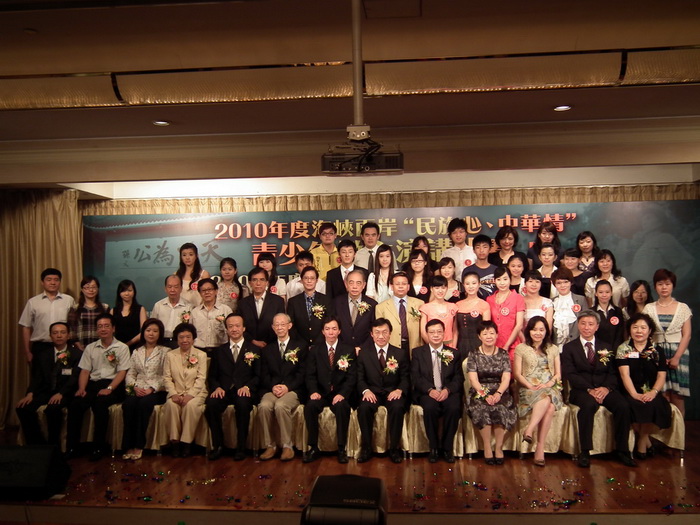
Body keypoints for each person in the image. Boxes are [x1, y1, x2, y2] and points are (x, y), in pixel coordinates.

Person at [561, 310, 636, 468]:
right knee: (588, 406)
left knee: (623, 406)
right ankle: (585, 451)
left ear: (597, 327)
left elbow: (612, 372)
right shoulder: (569, 348)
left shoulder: (606, 347)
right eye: (583, 323)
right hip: (581, 391)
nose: (586, 327)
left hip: (604, 388)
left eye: (590, 324)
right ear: (578, 325)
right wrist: (589, 389)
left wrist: (606, 388)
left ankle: (622, 450)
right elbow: (570, 374)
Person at [66, 313, 131, 461]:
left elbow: (122, 372)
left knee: (100, 404)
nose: (103, 329)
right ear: (96, 330)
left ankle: (98, 447)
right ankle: (72, 447)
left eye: (106, 326)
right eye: (100, 326)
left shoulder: (122, 347)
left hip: (114, 385)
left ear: (113, 328)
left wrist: (109, 388)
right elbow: (85, 371)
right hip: (93, 384)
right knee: (75, 404)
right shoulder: (90, 348)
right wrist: (82, 388)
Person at [16, 322, 81, 448]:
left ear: (68, 335)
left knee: (53, 409)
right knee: (22, 408)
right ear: (50, 336)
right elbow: (37, 377)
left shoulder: (77, 354)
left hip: (66, 392)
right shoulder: (43, 354)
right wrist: (30, 393)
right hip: (46, 391)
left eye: (62, 332)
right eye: (55, 333)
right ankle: (37, 445)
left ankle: (54, 446)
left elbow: (74, 378)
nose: (59, 336)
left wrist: (61, 393)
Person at [616, 313, 672, 459]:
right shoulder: (623, 349)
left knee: (652, 404)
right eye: (635, 327)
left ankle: (642, 440)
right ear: (630, 330)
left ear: (650, 330)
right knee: (631, 404)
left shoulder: (657, 350)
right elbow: (624, 375)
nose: (639, 331)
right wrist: (634, 394)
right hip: (629, 390)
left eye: (643, 327)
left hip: (651, 390)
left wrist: (653, 392)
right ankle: (646, 442)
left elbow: (661, 375)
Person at [205, 314, 260, 461]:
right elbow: (212, 376)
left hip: (244, 390)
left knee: (242, 404)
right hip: (224, 390)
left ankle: (241, 447)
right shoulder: (219, 351)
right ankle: (218, 446)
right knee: (211, 404)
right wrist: (217, 388)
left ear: (244, 328)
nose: (234, 329)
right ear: (226, 329)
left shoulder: (254, 349)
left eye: (237, 326)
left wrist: (248, 387)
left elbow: (258, 375)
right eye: (230, 326)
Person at [303, 316, 357, 464]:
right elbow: (310, 375)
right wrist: (313, 391)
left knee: (342, 407)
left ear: (339, 331)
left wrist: (342, 394)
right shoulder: (315, 350)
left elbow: (352, 377)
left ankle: (341, 448)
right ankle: (313, 447)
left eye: (334, 329)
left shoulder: (348, 350)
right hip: (321, 393)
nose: (331, 332)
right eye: (327, 329)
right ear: (323, 331)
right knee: (310, 407)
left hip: (339, 393)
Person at [356, 318, 410, 464]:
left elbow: (405, 377)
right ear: (371, 334)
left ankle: (394, 449)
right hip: (372, 392)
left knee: (398, 407)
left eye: (385, 332)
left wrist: (399, 390)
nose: (381, 336)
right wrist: (366, 391)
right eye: (377, 332)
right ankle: (366, 448)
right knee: (364, 408)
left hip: (392, 392)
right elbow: (359, 378)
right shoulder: (364, 353)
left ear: (390, 333)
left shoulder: (399, 353)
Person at [411, 319, 463, 463]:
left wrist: (447, 390)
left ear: (444, 333)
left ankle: (447, 448)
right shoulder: (418, 352)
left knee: (453, 408)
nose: (435, 335)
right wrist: (429, 390)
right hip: (427, 392)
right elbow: (415, 376)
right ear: (426, 334)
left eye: (439, 332)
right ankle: (433, 447)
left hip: (448, 392)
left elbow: (458, 378)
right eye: (432, 332)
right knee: (430, 407)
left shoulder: (453, 353)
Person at [513, 316, 563, 467]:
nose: (538, 333)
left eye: (541, 330)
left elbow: (558, 374)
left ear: (546, 331)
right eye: (534, 329)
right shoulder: (521, 348)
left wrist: (548, 384)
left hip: (550, 386)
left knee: (548, 398)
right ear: (529, 331)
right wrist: (529, 385)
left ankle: (530, 432)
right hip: (528, 387)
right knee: (548, 403)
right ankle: (539, 448)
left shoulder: (553, 349)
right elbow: (517, 374)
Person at [258, 313, 308, 461]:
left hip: (293, 389)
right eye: (277, 325)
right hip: (272, 388)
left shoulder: (300, 346)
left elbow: (302, 373)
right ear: (273, 328)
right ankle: (270, 445)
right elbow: (264, 374)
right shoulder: (268, 349)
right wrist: (273, 386)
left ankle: (287, 445)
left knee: (281, 405)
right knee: (264, 406)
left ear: (289, 326)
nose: (280, 327)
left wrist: (287, 387)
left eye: (283, 324)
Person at [643, 268, 692, 417]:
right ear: (655, 286)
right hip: (657, 353)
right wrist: (655, 357)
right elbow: (645, 334)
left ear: (673, 286)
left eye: (667, 284)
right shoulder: (649, 308)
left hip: (679, 353)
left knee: (677, 396)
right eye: (660, 284)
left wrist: (676, 357)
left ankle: (679, 430)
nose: (664, 287)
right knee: (661, 394)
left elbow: (687, 335)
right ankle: (663, 429)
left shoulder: (682, 308)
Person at [466, 321, 516, 465]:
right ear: (479, 336)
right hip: (480, 390)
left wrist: (498, 393)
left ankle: (499, 448)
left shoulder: (503, 354)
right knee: (482, 408)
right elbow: (473, 379)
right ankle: (487, 447)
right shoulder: (473, 354)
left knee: (501, 407)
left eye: (492, 333)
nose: (489, 336)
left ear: (497, 335)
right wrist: (485, 395)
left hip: (500, 390)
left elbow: (506, 378)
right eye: (485, 333)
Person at [121, 318, 169, 460]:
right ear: (143, 333)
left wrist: (152, 389)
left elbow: (166, 375)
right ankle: (128, 445)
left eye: (155, 331)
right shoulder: (137, 351)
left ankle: (139, 445)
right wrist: (134, 387)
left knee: (144, 404)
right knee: (128, 404)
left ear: (160, 333)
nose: (151, 334)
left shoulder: (165, 351)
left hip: (157, 390)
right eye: (148, 330)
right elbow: (131, 373)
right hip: (138, 388)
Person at [162, 323, 207, 458]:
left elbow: (201, 378)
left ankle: (186, 443)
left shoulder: (201, 355)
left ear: (193, 339)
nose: (185, 340)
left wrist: (190, 395)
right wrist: (173, 393)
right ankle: (175, 442)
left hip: (197, 392)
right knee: (171, 405)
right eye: (181, 337)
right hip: (176, 391)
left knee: (190, 406)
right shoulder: (170, 355)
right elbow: (166, 377)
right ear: (177, 339)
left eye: (188, 337)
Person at [19, 268, 75, 363]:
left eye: (56, 280)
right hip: (41, 346)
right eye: (49, 280)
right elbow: (26, 327)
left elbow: (74, 325)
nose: (53, 283)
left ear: (60, 282)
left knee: (64, 372)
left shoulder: (69, 300)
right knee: (40, 372)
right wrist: (27, 351)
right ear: (42, 282)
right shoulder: (33, 302)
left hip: (64, 346)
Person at [375, 271, 424, 354]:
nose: (401, 286)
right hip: (392, 346)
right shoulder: (381, 307)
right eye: (397, 284)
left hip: (415, 347)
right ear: (391, 286)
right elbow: (380, 331)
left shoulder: (419, 304)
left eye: (404, 284)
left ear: (408, 286)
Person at [237, 267, 286, 348]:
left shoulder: (278, 301)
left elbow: (281, 325)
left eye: (262, 280)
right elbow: (240, 326)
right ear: (250, 283)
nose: (258, 283)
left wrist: (268, 343)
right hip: (249, 346)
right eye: (254, 280)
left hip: (272, 345)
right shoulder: (242, 303)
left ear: (267, 282)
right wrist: (253, 341)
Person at [486, 267, 525, 362]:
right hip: (494, 345)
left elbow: (519, 325)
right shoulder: (489, 299)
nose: (502, 283)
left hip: (513, 345)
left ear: (510, 280)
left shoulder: (518, 298)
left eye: (505, 279)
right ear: (494, 281)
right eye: (499, 279)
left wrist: (506, 346)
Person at [287, 266, 333, 346]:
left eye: (312, 278)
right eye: (306, 278)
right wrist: (301, 343)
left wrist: (320, 341)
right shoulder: (293, 301)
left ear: (317, 280)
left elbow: (329, 322)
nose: (309, 281)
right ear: (302, 280)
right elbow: (291, 325)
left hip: (321, 344)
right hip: (300, 345)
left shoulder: (326, 300)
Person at [333, 269, 377, 353]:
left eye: (358, 283)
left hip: (365, 350)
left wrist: (362, 347)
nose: (354, 287)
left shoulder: (372, 304)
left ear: (364, 285)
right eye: (351, 283)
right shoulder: (337, 302)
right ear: (346, 284)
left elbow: (374, 330)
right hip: (342, 349)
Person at [455, 271, 491, 362]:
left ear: (479, 284)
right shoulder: (457, 305)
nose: (471, 286)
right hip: (461, 344)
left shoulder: (484, 304)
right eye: (467, 284)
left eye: (474, 283)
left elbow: (486, 330)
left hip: (478, 344)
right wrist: (453, 347)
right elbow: (455, 330)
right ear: (463, 285)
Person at [190, 278, 232, 353]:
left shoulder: (226, 310)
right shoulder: (194, 312)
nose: (207, 292)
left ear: (216, 291)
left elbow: (231, 332)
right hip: (199, 350)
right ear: (199, 293)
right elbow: (190, 333)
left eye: (210, 289)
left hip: (220, 350)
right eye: (203, 290)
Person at [68, 276, 109, 351]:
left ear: (98, 289)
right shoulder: (75, 308)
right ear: (82, 290)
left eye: (94, 287)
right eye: (87, 287)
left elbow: (109, 328)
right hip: (80, 347)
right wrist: (78, 344)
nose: (91, 290)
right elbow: (71, 329)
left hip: (101, 347)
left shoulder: (105, 308)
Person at [151, 275, 192, 348]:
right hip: (161, 342)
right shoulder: (158, 305)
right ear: (165, 289)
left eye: (176, 287)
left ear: (181, 288)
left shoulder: (189, 307)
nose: (172, 290)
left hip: (180, 343)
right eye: (169, 287)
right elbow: (153, 326)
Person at [550, 268, 588, 348]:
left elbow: (586, 322)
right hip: (556, 346)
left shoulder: (581, 300)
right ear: (554, 285)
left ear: (571, 282)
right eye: (559, 283)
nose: (562, 285)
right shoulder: (551, 302)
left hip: (577, 345)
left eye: (566, 282)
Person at [419, 275, 459, 346]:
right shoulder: (425, 308)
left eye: (443, 288)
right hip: (432, 346)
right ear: (431, 289)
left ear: (447, 288)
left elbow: (455, 330)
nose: (440, 291)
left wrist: (453, 347)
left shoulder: (453, 307)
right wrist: (434, 347)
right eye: (437, 288)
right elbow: (423, 332)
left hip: (450, 345)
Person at [110, 279, 147, 350]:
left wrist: (127, 344)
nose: (127, 293)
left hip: (135, 347)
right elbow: (110, 331)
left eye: (130, 290)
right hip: (117, 347)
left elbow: (144, 331)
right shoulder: (113, 311)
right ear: (119, 293)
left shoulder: (140, 309)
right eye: (123, 291)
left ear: (134, 292)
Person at [592, 280, 625, 352]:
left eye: (607, 292)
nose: (604, 295)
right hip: (598, 351)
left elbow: (620, 333)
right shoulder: (591, 312)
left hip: (617, 350)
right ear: (596, 293)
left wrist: (616, 350)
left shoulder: (618, 311)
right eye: (601, 292)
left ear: (611, 293)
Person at [462, 234, 497, 299]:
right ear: (473, 250)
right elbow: (465, 293)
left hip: (493, 304)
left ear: (490, 249)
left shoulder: (496, 270)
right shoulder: (467, 271)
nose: (481, 250)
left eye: (485, 247)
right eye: (478, 247)